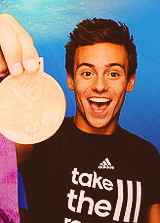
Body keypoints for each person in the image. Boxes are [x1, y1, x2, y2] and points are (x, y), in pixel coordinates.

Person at [0, 13, 159, 223]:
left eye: (113, 74)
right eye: (87, 73)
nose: (100, 86)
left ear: (130, 81)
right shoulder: (38, 138)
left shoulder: (146, 155)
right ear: (70, 79)